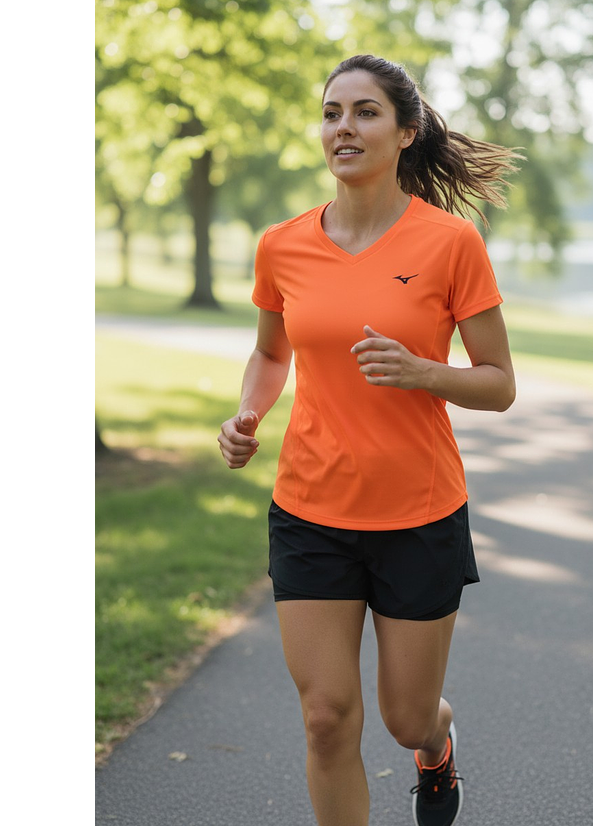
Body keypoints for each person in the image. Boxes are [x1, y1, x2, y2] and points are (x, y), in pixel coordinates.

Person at [218, 53, 520, 826]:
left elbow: (498, 383)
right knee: (326, 717)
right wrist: (247, 414)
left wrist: (425, 372)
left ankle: (436, 746)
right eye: (331, 113)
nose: (343, 127)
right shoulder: (282, 245)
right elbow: (271, 353)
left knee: (406, 718)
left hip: (419, 512)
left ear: (406, 131)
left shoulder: (451, 243)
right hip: (310, 510)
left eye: (364, 112)